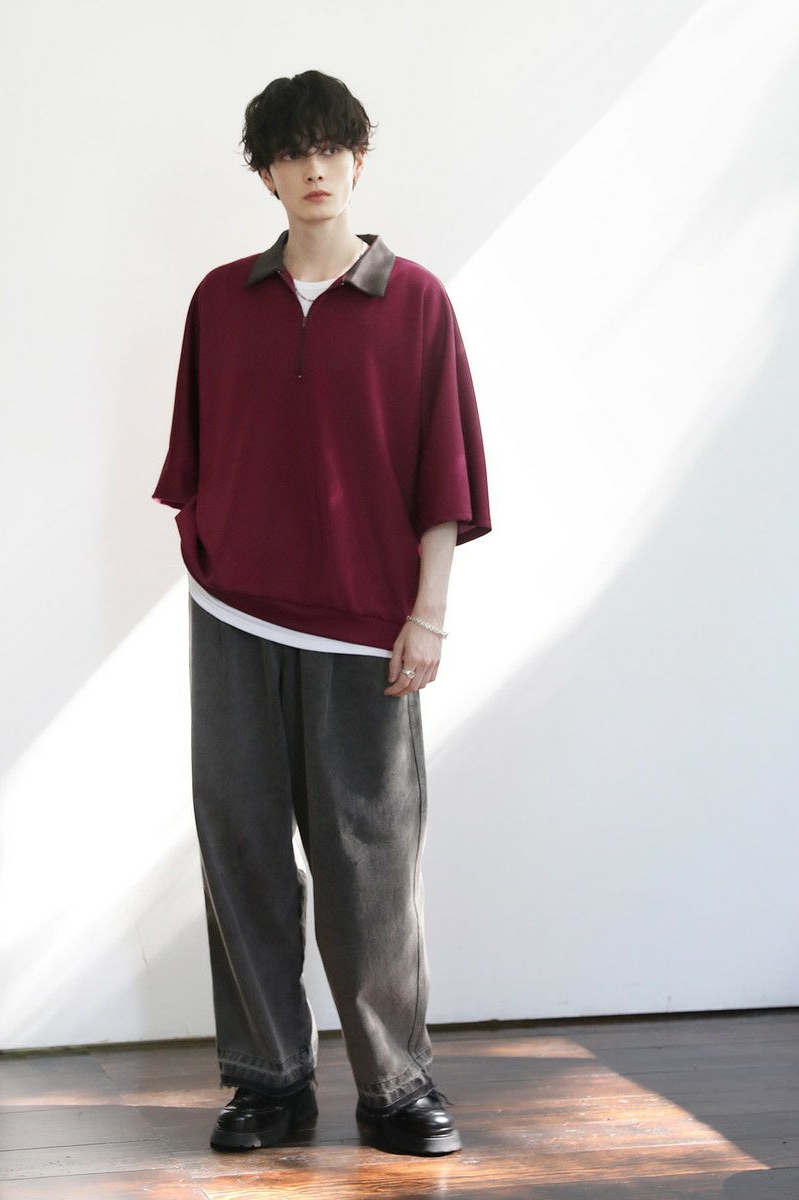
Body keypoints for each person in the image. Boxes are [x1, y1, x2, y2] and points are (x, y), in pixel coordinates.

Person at [152, 69, 490, 1157]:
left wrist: (428, 614)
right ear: (264, 172)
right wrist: (215, 559)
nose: (313, 168)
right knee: (242, 848)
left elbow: (443, 476)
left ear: (358, 159)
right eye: (290, 152)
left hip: (362, 626)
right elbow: (195, 458)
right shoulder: (220, 302)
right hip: (234, 617)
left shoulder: (416, 303)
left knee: (370, 862)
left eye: (330, 147)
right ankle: (269, 1082)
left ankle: (395, 1087)